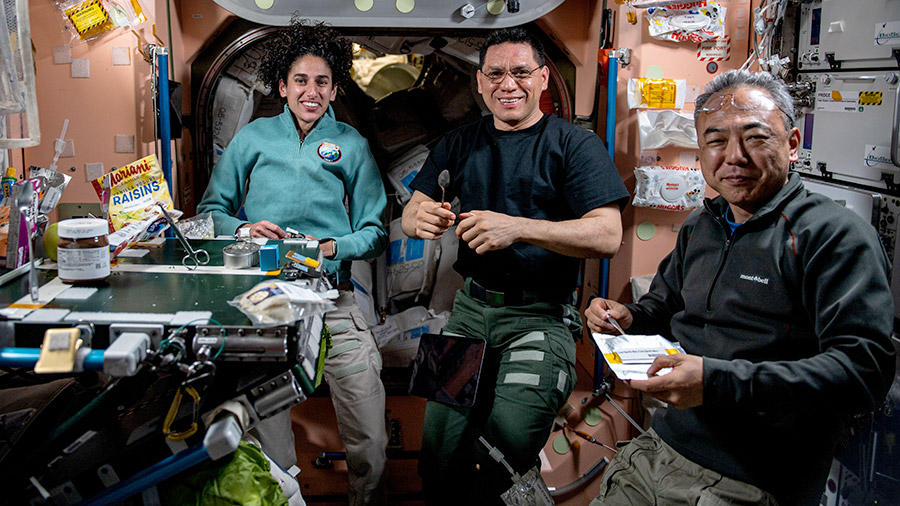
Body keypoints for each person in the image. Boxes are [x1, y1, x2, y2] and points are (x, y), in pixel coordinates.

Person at [585, 70, 896, 506]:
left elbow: (864, 372)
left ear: (791, 144)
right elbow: (664, 306)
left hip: (750, 480)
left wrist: (717, 382)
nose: (734, 156)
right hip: (660, 450)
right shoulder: (704, 223)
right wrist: (627, 318)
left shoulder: (833, 235)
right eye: (715, 140)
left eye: (755, 137)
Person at [401, 27, 630, 505]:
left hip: (541, 318)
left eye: (522, 72)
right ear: (481, 83)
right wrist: (417, 218)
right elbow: (412, 210)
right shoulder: (459, 142)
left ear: (544, 78)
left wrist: (518, 228)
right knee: (439, 451)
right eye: (496, 73)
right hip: (469, 310)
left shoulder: (574, 146)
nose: (509, 83)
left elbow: (607, 235)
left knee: (506, 452)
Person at [196, 20, 388, 506]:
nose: (311, 91)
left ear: (334, 87)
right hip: (269, 300)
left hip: (334, 300)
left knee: (372, 435)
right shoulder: (254, 139)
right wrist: (243, 228)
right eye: (300, 80)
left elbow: (375, 231)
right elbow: (209, 212)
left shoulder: (352, 145)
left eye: (322, 81)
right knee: (271, 441)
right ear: (282, 86)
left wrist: (331, 248)